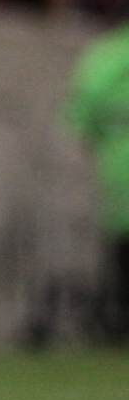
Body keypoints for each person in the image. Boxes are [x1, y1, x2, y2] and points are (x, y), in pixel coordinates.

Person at [69, 23, 129, 342]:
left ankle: (119, 329)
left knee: (123, 258)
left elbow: (82, 121)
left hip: (118, 173)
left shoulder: (103, 57)